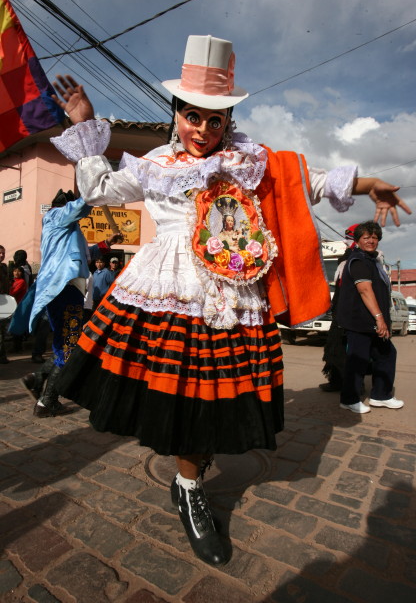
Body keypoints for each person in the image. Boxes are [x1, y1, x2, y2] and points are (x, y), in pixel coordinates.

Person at [48, 35, 411, 566]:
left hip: (237, 292)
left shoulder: (252, 160)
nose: (203, 130)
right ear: (177, 115)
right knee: (186, 397)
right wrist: (85, 125)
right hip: (171, 290)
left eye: (215, 120)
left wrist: (370, 181)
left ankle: (189, 476)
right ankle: (190, 488)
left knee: (218, 395)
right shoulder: (157, 163)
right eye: (194, 117)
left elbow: (304, 183)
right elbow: (100, 190)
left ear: (228, 121)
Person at [19, 188, 122, 416]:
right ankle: (46, 401)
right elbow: (79, 207)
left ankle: (38, 380)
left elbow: (85, 255)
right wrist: (94, 189)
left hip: (72, 288)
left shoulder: (70, 229)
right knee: (69, 345)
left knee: (68, 343)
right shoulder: (55, 216)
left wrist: (106, 243)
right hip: (64, 287)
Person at [337, 221, 403, 413]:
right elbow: (365, 290)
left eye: (374, 237)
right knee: (357, 360)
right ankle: (349, 399)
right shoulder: (358, 260)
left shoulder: (373, 261)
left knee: (387, 354)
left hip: (373, 322)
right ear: (358, 240)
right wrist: (379, 318)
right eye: (366, 237)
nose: (371, 241)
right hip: (360, 321)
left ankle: (381, 396)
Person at [319, 224, 359, 392]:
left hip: (348, 310)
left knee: (343, 350)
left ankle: (349, 385)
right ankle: (339, 382)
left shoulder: (353, 258)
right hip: (342, 309)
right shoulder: (349, 256)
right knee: (338, 348)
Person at [0, 246, 10, 364]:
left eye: (3, 253)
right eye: (0, 253)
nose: (2, 255)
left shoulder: (4, 267)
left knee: (2, 331)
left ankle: (2, 356)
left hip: (4, 302)